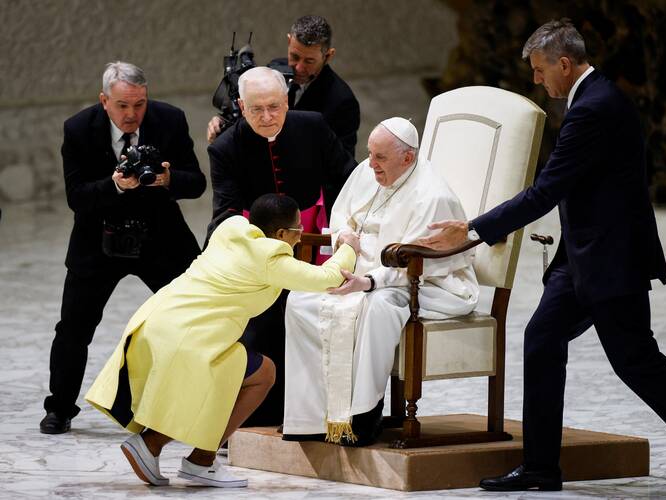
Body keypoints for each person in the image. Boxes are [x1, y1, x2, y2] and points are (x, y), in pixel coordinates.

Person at [418, 19, 666, 497]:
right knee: (542, 340)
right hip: (583, 260)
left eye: (539, 69)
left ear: (564, 63)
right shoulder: (593, 101)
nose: (536, 79)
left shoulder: (594, 109)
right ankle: (539, 467)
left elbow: (547, 191)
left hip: (611, 262)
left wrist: (471, 230)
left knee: (636, 361)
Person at [85, 194, 360, 488]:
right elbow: (329, 278)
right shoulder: (271, 257)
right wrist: (349, 249)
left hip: (156, 320)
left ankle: (183, 454)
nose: (298, 237)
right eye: (297, 231)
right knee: (263, 374)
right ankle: (181, 453)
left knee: (222, 375)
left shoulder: (232, 228)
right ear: (281, 234)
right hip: (189, 335)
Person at [282, 117, 480, 446]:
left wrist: (369, 282)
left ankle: (364, 415)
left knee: (378, 307)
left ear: (408, 158)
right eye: (370, 154)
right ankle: (313, 418)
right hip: (363, 274)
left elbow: (418, 258)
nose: (371, 164)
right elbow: (342, 211)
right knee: (300, 302)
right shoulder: (367, 172)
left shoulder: (432, 196)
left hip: (426, 283)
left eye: (380, 158)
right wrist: (344, 232)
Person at [40, 61, 206, 435]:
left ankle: (198, 406)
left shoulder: (170, 120)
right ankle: (60, 408)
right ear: (104, 100)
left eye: (140, 104)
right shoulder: (79, 128)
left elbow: (196, 182)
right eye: (122, 106)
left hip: (161, 237)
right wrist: (114, 186)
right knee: (73, 329)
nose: (132, 115)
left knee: (196, 319)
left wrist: (167, 179)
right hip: (98, 239)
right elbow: (76, 197)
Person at [208, 65, 356, 427]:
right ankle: (261, 418)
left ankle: (322, 413)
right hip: (256, 247)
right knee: (262, 328)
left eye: (274, 106)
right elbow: (225, 208)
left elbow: (348, 176)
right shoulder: (225, 147)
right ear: (241, 107)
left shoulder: (313, 125)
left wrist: (346, 226)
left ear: (287, 101)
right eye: (256, 109)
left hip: (313, 237)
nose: (267, 117)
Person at [207, 15, 360, 159]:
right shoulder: (274, 68)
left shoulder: (343, 102)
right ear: (289, 42)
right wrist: (222, 121)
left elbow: (342, 166)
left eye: (309, 61)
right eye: (294, 57)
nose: (299, 68)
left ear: (328, 56)